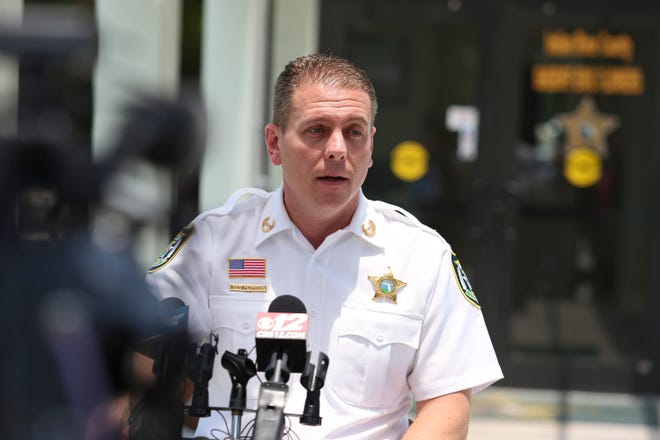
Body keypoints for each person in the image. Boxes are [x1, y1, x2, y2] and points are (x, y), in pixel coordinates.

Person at [145, 53, 503, 439]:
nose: (337, 149)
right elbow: (143, 360)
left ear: (370, 146)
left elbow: (448, 403)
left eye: (354, 132)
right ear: (274, 143)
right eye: (317, 130)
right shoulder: (215, 242)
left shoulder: (422, 257)